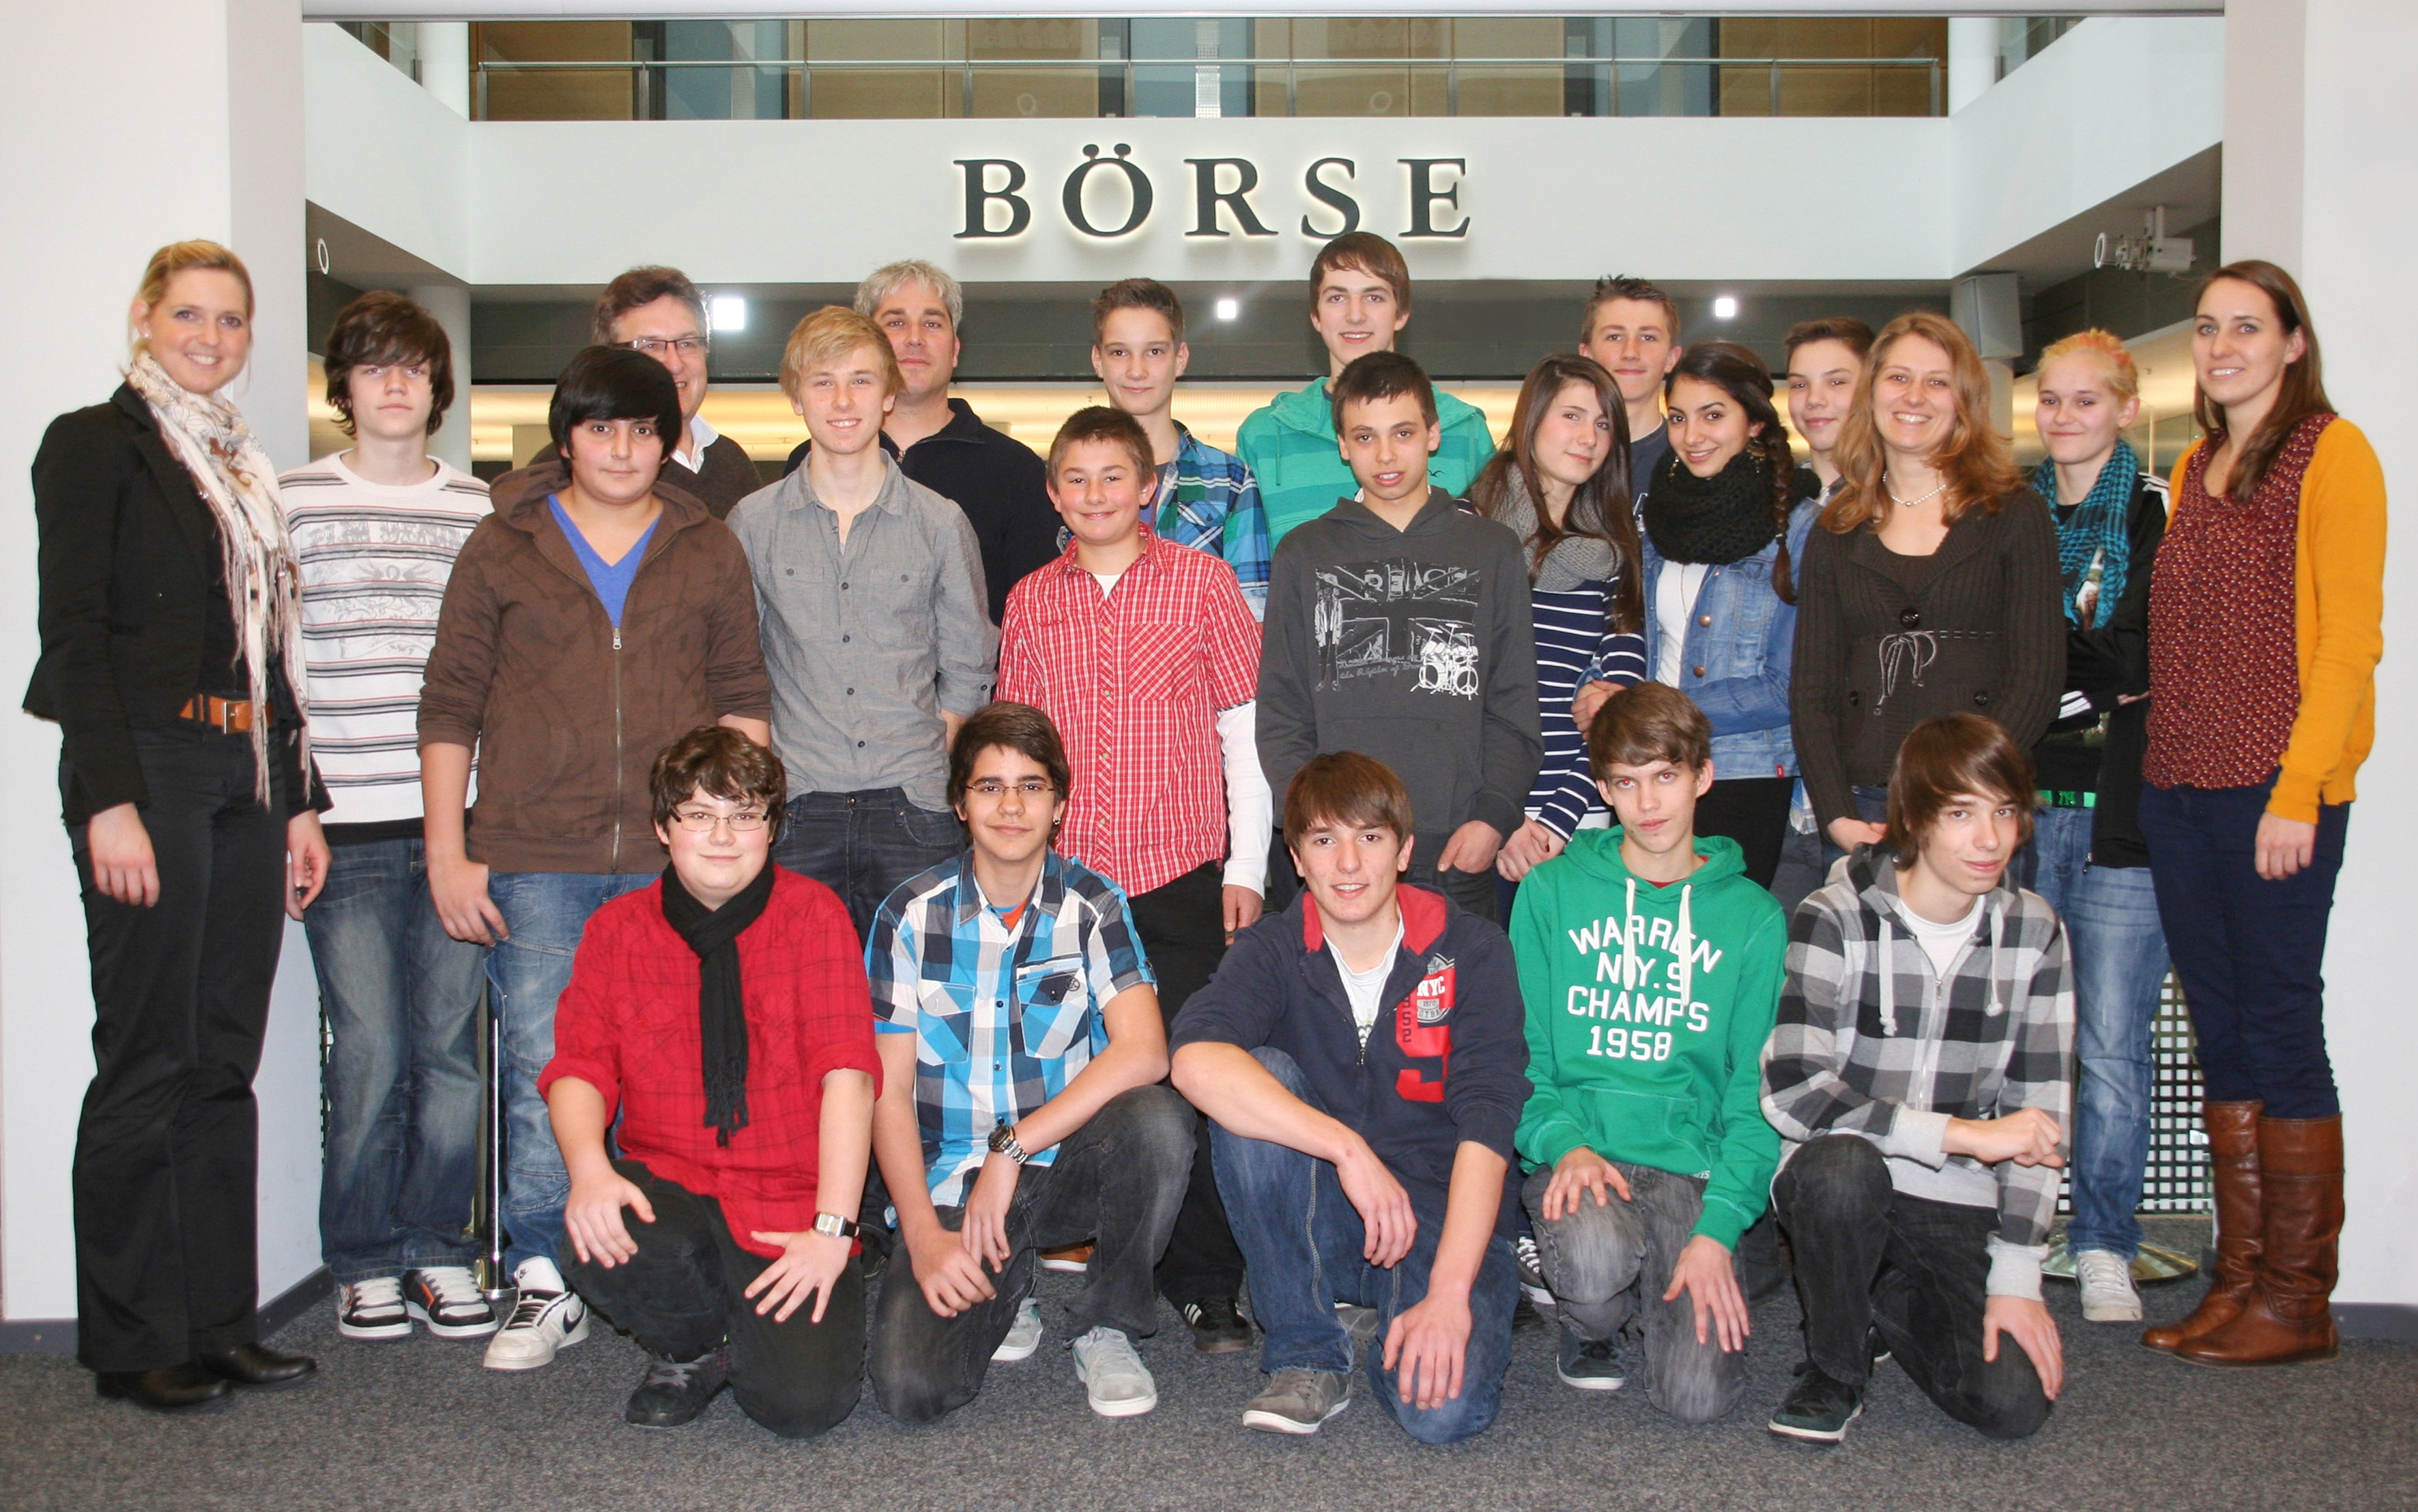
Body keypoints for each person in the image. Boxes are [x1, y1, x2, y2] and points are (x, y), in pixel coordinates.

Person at [418, 345, 771, 1372]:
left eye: (644, 430)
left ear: (668, 441)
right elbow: (450, 704)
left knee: (676, 1068)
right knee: (548, 1064)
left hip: (677, 861)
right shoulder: (503, 543)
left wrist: (738, 842)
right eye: (601, 428)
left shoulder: (707, 546)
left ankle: (662, 1261)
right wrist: (448, 849)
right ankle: (545, 1268)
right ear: (566, 438)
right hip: (536, 854)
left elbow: (742, 695)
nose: (622, 449)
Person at [29, 241, 330, 1410]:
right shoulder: (95, 444)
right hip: (149, 772)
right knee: (147, 1057)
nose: (211, 337)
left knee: (221, 1060)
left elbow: (270, 654)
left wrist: (298, 804)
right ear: (146, 318)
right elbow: (74, 636)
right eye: (190, 315)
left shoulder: (243, 468)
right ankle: (134, 1338)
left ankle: (218, 1323)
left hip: (246, 771)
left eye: (231, 320)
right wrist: (106, 801)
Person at [2137, 261, 2385, 1369]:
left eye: (2246, 326)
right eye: (2206, 328)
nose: (2221, 346)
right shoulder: (2196, 464)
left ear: (2291, 342)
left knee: (2278, 1025)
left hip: (2273, 792)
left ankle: (2297, 1299)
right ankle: (2236, 1281)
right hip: (2180, 789)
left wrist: (2298, 791)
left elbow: (2347, 643)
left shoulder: (2332, 453)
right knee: (2219, 1028)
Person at [998, 406, 1268, 1352]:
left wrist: (1246, 864)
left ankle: (1205, 1281)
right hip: (1066, 886)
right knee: (1063, 1071)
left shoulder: (1203, 582)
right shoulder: (1031, 599)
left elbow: (1244, 731)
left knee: (1192, 1069)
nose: (1096, 494)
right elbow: (1016, 751)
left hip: (1179, 877)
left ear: (1149, 486)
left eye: (1114, 475)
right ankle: (1043, 1261)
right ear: (1053, 494)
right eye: (1075, 478)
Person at [1170, 752, 1530, 1443]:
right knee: (1254, 1074)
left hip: (1438, 1215)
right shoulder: (1274, 947)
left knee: (1442, 1415)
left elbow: (1490, 1121)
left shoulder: (1472, 949)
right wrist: (1347, 1149)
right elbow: (1192, 1061)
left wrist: (1448, 1294)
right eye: (1323, 839)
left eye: (1369, 837)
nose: (1347, 863)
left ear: (1404, 850)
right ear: (1296, 859)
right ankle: (1307, 1349)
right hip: (1329, 1214)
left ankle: (1388, 1304)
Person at [863, 703, 1194, 1422]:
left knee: (1157, 1120)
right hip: (953, 1180)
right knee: (911, 1388)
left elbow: (1145, 1049)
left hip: (1062, 1164)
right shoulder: (907, 916)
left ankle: (1108, 1323)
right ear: (960, 804)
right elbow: (885, 1090)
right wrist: (921, 1234)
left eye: (1032, 786)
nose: (1011, 806)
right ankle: (1008, 1284)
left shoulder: (1093, 904)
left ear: (1059, 805)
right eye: (989, 787)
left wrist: (1012, 1147)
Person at [545, 727, 880, 1437]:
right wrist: (589, 1171)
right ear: (663, 827)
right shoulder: (616, 930)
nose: (723, 836)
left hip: (790, 1198)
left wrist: (831, 1230)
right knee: (598, 1226)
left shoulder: (814, 916)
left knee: (802, 1408)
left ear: (772, 828)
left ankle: (762, 1323)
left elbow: (849, 1077)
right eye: (699, 814)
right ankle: (694, 1345)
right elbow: (579, 1067)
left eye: (744, 815)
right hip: (674, 1184)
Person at [1761, 714, 2073, 1446]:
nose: (1989, 839)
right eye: (1961, 814)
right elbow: (1793, 1089)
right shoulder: (1835, 914)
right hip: (1842, 1174)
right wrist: (1961, 1133)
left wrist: (2017, 1277)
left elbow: (2041, 1117)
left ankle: (1882, 1295)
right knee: (1841, 1173)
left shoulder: (2035, 930)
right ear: (1914, 817)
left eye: (2004, 812)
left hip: (1957, 1198)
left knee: (2011, 1405)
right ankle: (1835, 1368)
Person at [280, 291, 496, 1343]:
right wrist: (294, 810)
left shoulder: (478, 508)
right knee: (367, 1047)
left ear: (437, 386)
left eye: (412, 366)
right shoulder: (292, 500)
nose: (395, 384)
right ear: (346, 387)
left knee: (451, 1048)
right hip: (343, 826)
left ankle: (439, 1247)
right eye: (373, 367)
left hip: (460, 823)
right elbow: (276, 667)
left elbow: (497, 670)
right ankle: (363, 1257)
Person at [1510, 683, 1784, 1421]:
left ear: (1703, 776)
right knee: (1595, 1261)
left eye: (1666, 775)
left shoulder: (1754, 916)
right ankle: (1588, 1318)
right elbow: (1521, 1052)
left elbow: (1754, 1093)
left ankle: (1662, 1274)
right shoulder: (1549, 892)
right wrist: (1562, 1143)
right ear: (1602, 790)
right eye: (1626, 782)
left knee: (1698, 1401)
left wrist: (1719, 1227)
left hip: (1689, 1169)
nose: (1648, 802)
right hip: (1582, 1156)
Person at [728, 306, 994, 940]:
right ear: (797, 399)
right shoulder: (752, 524)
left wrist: (931, 755)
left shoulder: (940, 522)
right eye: (823, 382)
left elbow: (968, 665)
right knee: (795, 996)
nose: (843, 401)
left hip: (914, 809)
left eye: (861, 380)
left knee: (924, 995)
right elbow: (738, 666)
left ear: (889, 394)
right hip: (796, 809)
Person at [1257, 351, 1542, 925]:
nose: (1385, 455)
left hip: (1458, 847)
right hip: (1340, 853)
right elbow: (1282, 711)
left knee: (1453, 987)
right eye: (1365, 437)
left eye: (1403, 433)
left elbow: (1513, 703)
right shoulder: (1305, 553)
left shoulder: (1491, 549)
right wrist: (1315, 830)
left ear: (1433, 435)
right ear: (1343, 445)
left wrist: (1492, 817)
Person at [1789, 311, 2064, 865]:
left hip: (1979, 806)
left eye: (1937, 382)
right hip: (1865, 807)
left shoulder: (2015, 513)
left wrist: (1960, 794)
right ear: (1871, 392)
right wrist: (1836, 813)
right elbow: (1812, 690)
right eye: (1898, 378)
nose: (1914, 396)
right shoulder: (1835, 528)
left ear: (1963, 400)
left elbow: (2036, 678)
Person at [2021, 329, 2172, 1326]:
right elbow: (2010, 654)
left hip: (2121, 820)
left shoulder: (2158, 513)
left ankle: (2103, 1242)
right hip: (2020, 815)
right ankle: (2015, 1230)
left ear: (2124, 407)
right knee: (2019, 1039)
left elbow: (2138, 660)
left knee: (2113, 1044)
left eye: (2086, 400)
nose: (2065, 417)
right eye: (2052, 399)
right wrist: (2082, 675)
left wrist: (2058, 678)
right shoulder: (2009, 515)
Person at [1624, 342, 1818, 888]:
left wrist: (1666, 713)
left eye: (1713, 416)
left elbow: (1790, 686)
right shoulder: (1658, 514)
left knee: (1723, 929)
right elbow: (1640, 634)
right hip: (1653, 768)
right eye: (1678, 418)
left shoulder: (1800, 526)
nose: (1691, 436)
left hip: (1744, 769)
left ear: (1753, 422)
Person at [782, 261, 1059, 622]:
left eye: (932, 323)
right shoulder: (808, 462)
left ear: (955, 349)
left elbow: (1037, 612)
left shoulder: (1016, 470)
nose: (915, 338)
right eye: (896, 323)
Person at [1468, 353, 1647, 893]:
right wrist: (1500, 815)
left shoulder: (1615, 551)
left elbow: (1616, 709)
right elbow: (1444, 696)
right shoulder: (1466, 529)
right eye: (1571, 416)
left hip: (1574, 819)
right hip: (1473, 816)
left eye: (1603, 424)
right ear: (1532, 419)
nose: (1588, 438)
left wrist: (1555, 822)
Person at [1236, 232, 1495, 544]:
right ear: (1316, 317)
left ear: (1401, 314)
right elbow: (1247, 569)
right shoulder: (1264, 435)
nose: (1355, 315)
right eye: (1337, 298)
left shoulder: (1466, 431)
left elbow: (1493, 557)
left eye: (1374, 298)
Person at [1769, 318, 1877, 913]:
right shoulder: (1776, 507)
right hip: (1782, 796)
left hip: (1866, 792)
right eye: (1800, 384)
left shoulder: (1896, 511)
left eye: (1836, 382)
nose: (1814, 400)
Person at [1090, 278, 1273, 618]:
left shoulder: (1231, 481)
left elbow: (1253, 617)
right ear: (1097, 360)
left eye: (1154, 352)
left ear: (1181, 358)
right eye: (1119, 352)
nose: (1136, 371)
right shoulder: (1070, 483)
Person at [596, 266, 760, 519]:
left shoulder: (733, 463)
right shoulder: (581, 467)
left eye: (687, 343)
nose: (674, 364)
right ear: (608, 360)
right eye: (651, 345)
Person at [1577, 276, 1684, 499]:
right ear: (1587, 355)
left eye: (1648, 337)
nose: (1631, 352)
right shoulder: (1557, 461)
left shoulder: (1693, 459)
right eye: (1615, 337)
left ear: (1671, 358)